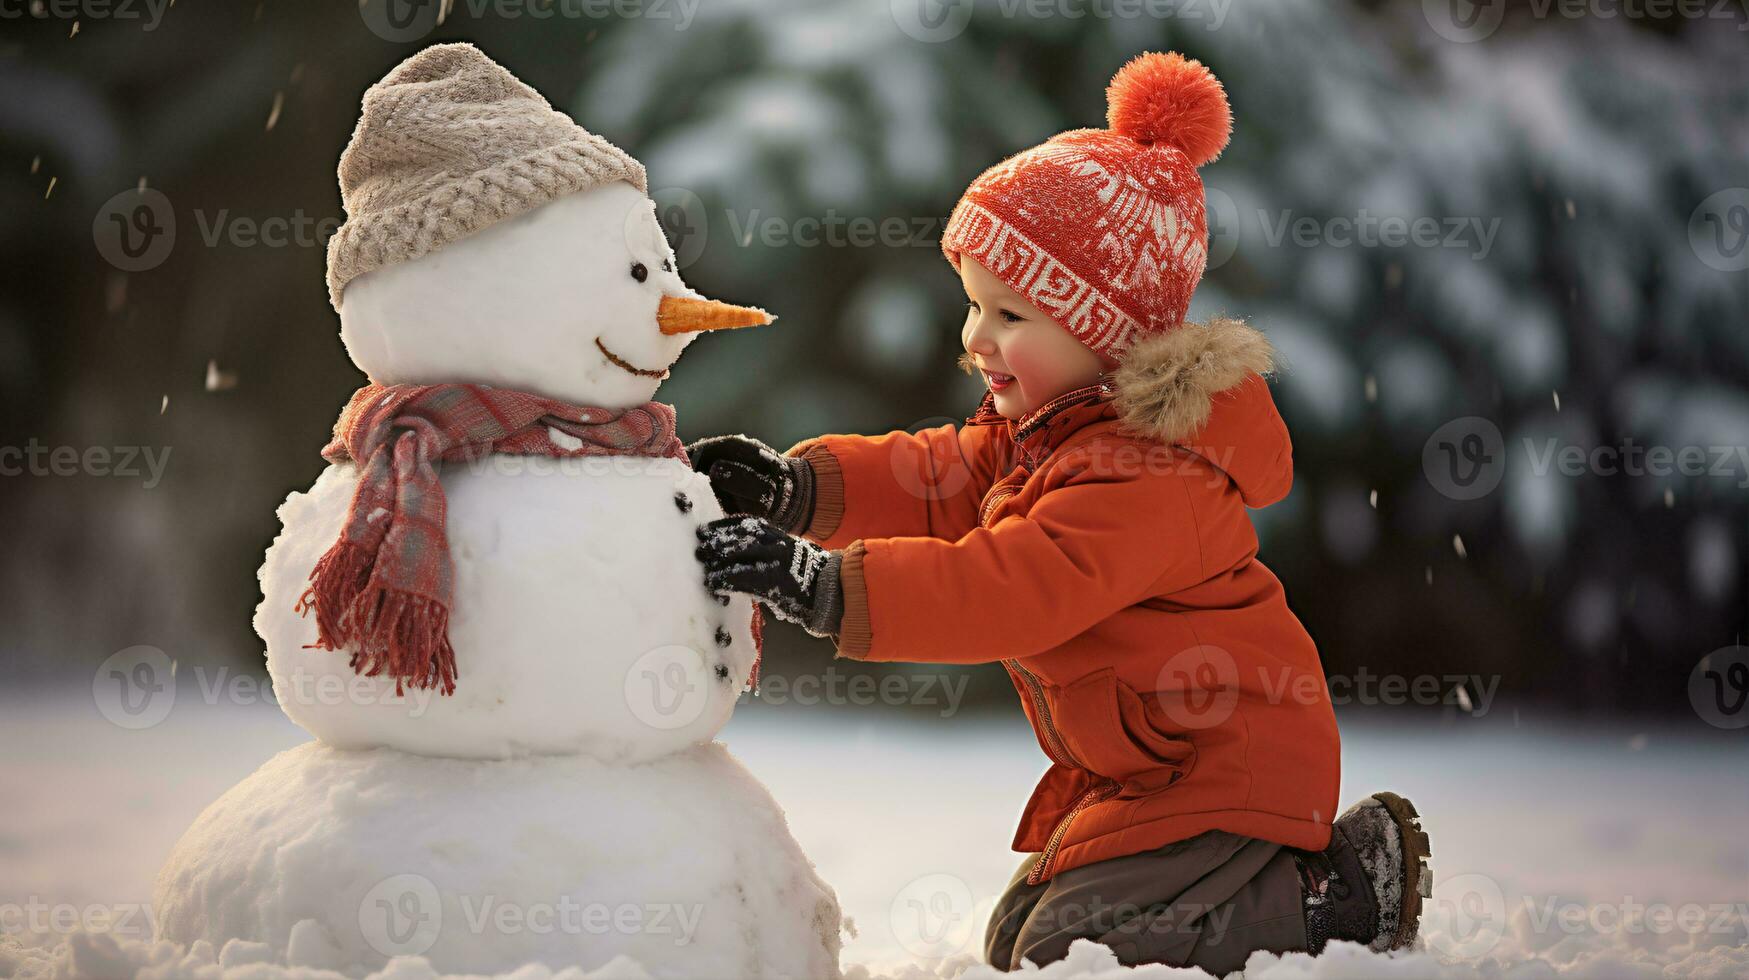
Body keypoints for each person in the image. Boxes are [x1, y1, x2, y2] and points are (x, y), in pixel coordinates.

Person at [690, 51, 1431, 974]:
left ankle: (1329, 897)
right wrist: (800, 490)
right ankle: (1281, 887)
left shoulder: (1149, 477)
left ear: (1103, 334)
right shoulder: (1052, 431)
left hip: (1222, 765)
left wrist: (824, 588)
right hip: (1152, 762)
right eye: (974, 307)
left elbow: (1012, 587)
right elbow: (943, 474)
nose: (976, 340)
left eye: (1009, 315)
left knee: (1069, 950)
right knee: (1021, 942)